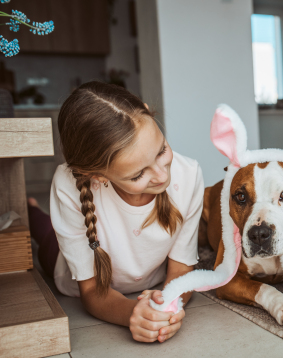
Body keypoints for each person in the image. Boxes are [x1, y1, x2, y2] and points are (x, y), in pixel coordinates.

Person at [29, 81, 204, 343]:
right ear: (97, 176)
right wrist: (132, 313)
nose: (161, 174)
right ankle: (31, 210)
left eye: (161, 151)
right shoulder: (68, 185)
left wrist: (166, 306)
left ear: (148, 112)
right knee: (44, 232)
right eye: (138, 174)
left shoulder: (189, 175)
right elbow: (91, 290)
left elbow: (181, 270)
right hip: (61, 258)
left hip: (148, 280)